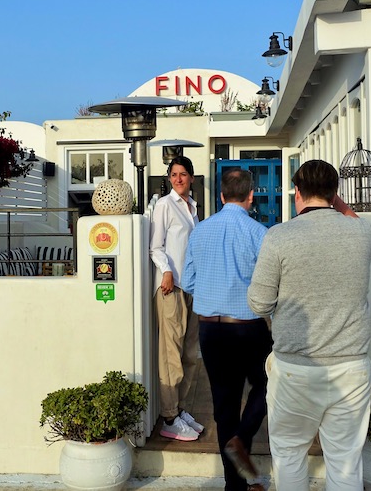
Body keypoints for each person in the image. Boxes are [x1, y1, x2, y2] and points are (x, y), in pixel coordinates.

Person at [247, 159, 371, 491]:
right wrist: (337, 204)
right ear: (336, 194)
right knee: (345, 463)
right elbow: (353, 219)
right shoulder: (363, 233)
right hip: (351, 367)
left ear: (297, 193)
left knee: (290, 455)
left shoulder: (279, 237)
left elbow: (259, 303)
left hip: (295, 369)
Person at [182, 169, 273, 491]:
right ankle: (243, 437)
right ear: (251, 196)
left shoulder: (200, 231)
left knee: (224, 404)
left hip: (210, 330)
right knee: (267, 385)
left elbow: (188, 281)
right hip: (248, 328)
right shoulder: (260, 233)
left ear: (221, 196)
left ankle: (233, 485)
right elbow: (268, 287)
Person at [149, 155, 203, 441]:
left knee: (191, 355)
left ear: (192, 177)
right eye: (174, 175)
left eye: (183, 174)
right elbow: (155, 246)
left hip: (192, 288)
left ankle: (180, 410)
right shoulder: (164, 205)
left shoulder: (193, 208)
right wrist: (166, 271)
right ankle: (169, 416)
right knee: (171, 356)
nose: (178, 179)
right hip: (172, 288)